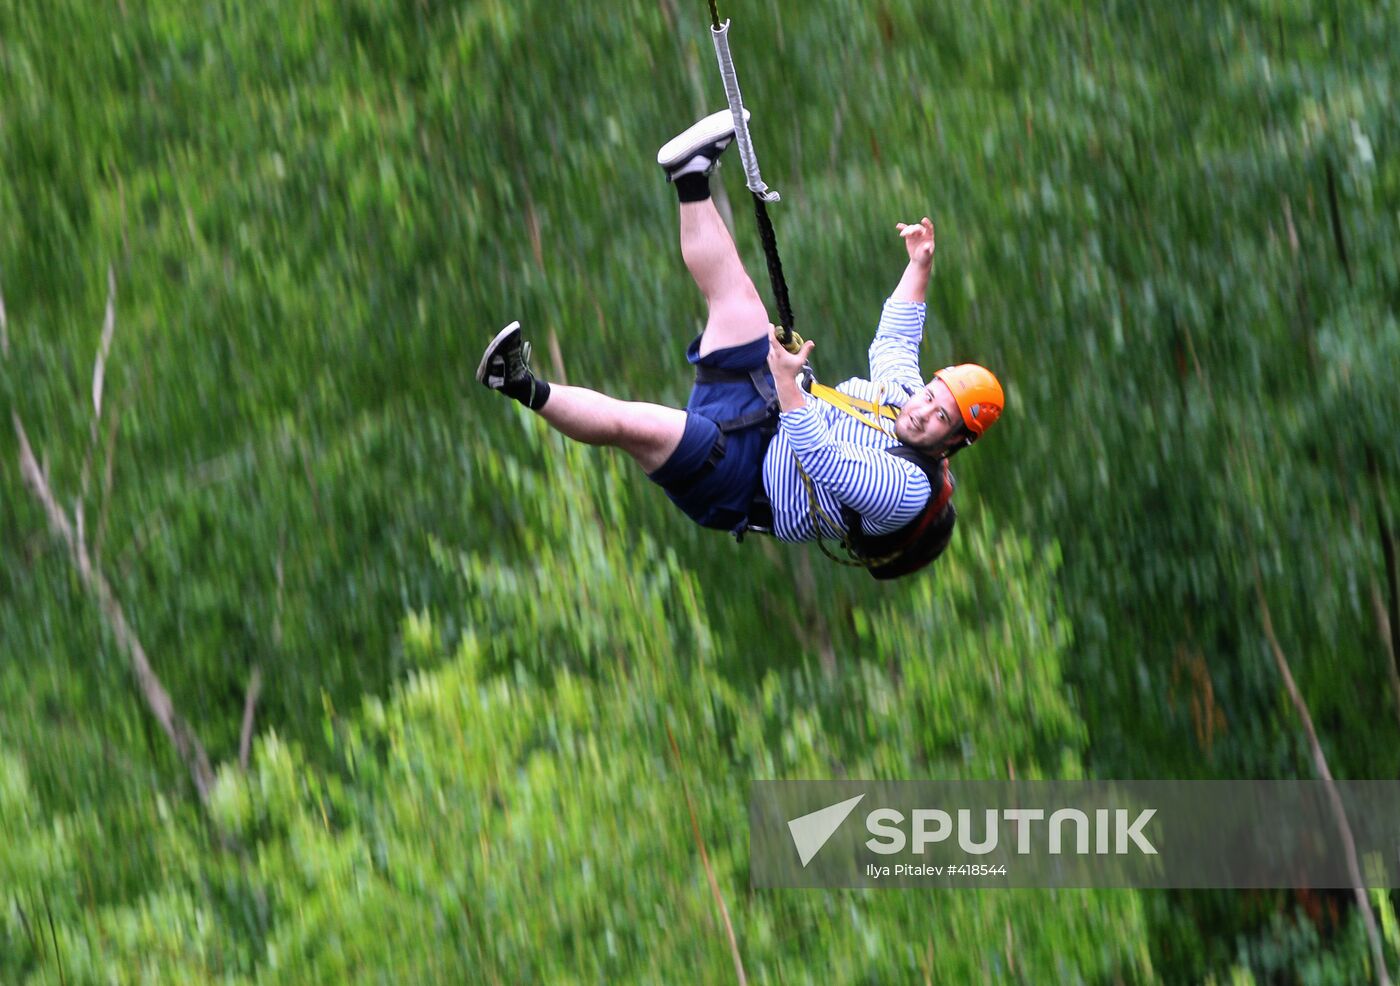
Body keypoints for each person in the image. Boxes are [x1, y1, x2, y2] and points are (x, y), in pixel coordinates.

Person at [477, 110, 1004, 578]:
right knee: (737, 300)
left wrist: (787, 382)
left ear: (953, 442)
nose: (923, 411)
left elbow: (823, 460)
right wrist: (919, 267)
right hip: (768, 407)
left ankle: (517, 381)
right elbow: (894, 341)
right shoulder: (905, 398)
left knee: (633, 423)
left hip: (739, 480)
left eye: (941, 418)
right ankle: (688, 177)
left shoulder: (907, 489)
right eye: (932, 395)